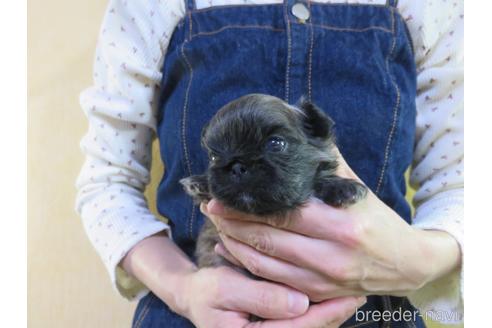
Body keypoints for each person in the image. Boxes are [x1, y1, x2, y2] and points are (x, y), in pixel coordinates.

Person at [75, 0, 464, 327]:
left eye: (275, 144)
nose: (239, 168)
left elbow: (464, 183)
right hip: (202, 311)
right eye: (217, 156)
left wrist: (418, 260)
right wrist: (184, 289)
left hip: (372, 311)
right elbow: (106, 181)